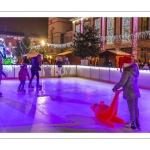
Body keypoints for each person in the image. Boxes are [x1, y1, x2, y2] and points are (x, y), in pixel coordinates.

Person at [112, 56, 141, 130]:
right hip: (135, 91)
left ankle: (132, 123)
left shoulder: (126, 72)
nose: (122, 66)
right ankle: (136, 122)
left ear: (125, 63)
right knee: (135, 107)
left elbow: (122, 82)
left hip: (129, 91)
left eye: (122, 64)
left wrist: (115, 88)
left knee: (131, 108)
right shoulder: (135, 69)